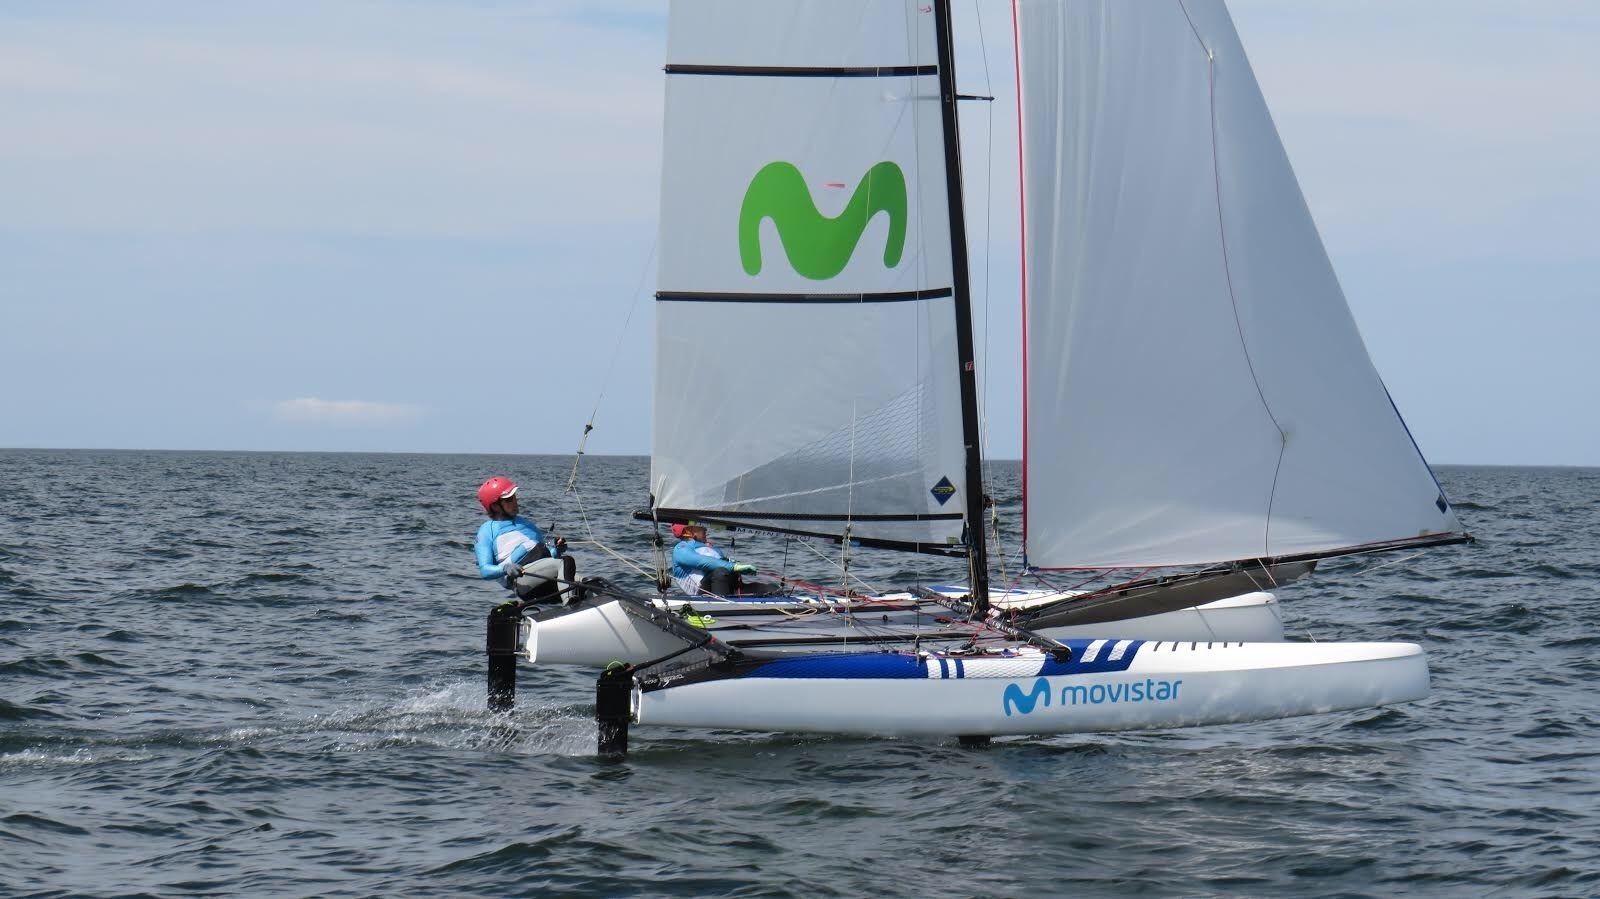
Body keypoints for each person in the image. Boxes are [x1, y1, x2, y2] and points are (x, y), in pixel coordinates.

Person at [474, 476, 576, 603]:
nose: (515, 501)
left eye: (514, 497)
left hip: (547, 574)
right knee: (566, 562)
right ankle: (571, 605)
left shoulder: (528, 525)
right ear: (495, 506)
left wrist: (557, 549)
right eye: (509, 499)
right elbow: (485, 570)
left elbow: (547, 555)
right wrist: (505, 568)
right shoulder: (486, 530)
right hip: (523, 580)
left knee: (591, 583)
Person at [669, 523, 765, 597]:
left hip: (728, 587)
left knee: (770, 588)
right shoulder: (681, 549)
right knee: (720, 572)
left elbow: (722, 563)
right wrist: (733, 567)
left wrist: (738, 567)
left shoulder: (710, 547)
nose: (705, 529)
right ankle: (723, 608)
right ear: (689, 531)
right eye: (701, 526)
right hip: (704, 593)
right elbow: (703, 562)